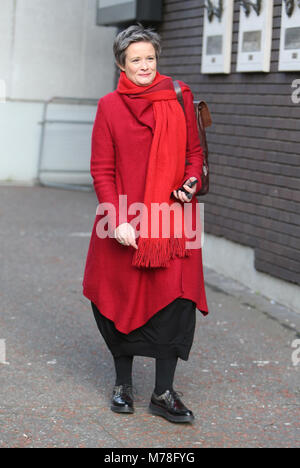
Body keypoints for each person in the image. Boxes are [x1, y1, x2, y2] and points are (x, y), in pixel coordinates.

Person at [82, 23, 209, 424]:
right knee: (120, 300)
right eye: (136, 59)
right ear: (122, 63)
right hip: (125, 223)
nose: (145, 65)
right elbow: (101, 169)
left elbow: (194, 154)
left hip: (172, 221)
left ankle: (163, 392)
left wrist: (191, 181)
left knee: (176, 302)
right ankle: (123, 385)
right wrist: (115, 218)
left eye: (150, 58)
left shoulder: (179, 95)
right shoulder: (109, 106)